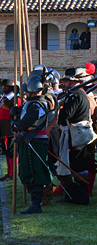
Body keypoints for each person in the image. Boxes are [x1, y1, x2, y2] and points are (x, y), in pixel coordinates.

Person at [10, 71, 51, 214]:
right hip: (31, 141)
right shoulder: (33, 104)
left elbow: (21, 126)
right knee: (28, 171)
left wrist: (14, 120)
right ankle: (36, 202)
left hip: (34, 141)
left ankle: (36, 204)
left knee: (33, 172)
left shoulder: (36, 106)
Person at [57, 68, 92, 203]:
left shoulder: (75, 95)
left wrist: (61, 114)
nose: (64, 84)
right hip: (78, 131)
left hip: (77, 132)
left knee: (77, 164)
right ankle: (78, 194)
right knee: (78, 163)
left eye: (66, 81)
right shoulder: (79, 94)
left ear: (72, 82)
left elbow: (67, 114)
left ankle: (80, 195)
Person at [0, 79, 20, 181]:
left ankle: (13, 173)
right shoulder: (2, 99)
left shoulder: (15, 99)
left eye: (6, 86)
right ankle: (9, 173)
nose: (4, 87)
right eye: (3, 85)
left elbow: (17, 113)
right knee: (6, 152)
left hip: (10, 129)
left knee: (12, 152)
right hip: (2, 129)